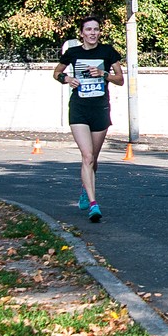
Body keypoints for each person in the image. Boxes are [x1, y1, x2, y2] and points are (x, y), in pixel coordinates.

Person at [53, 16, 124, 223]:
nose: (93, 33)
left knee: (93, 158)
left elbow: (120, 79)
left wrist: (104, 74)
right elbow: (56, 73)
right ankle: (94, 204)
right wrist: (67, 79)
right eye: (89, 29)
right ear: (82, 33)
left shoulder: (108, 52)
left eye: (96, 29)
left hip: (100, 109)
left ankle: (86, 187)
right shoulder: (73, 53)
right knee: (86, 156)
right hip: (79, 109)